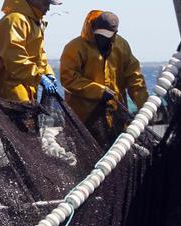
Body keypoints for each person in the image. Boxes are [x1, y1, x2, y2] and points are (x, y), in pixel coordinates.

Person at [60, 10, 149, 145]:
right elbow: (68, 78)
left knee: (117, 153)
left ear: (115, 34)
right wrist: (99, 91)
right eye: (99, 35)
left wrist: (144, 106)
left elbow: (134, 77)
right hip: (85, 117)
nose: (102, 39)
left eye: (107, 36)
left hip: (115, 114)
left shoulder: (122, 46)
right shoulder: (75, 47)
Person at [0, 0, 62, 103]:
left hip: (26, 84)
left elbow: (40, 54)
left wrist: (48, 73)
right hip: (7, 87)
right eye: (46, 3)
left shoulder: (35, 21)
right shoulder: (15, 20)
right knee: (20, 120)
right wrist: (40, 77)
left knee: (28, 119)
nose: (48, 8)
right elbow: (15, 59)